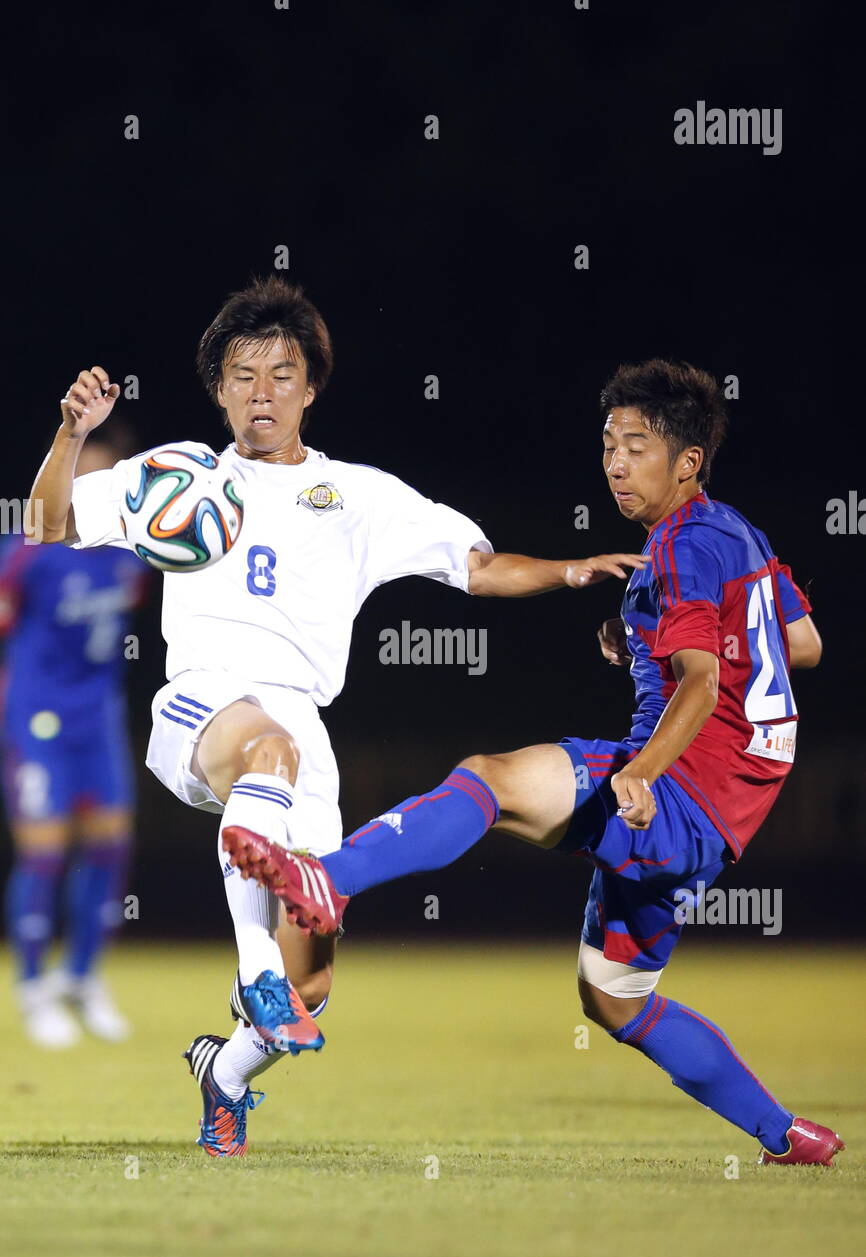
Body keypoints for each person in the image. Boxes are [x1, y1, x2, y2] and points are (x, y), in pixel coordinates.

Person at [27, 276, 644, 1154]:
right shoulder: (177, 478)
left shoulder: (357, 495)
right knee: (265, 756)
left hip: (300, 737)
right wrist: (70, 434)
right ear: (219, 391)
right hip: (203, 706)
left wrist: (571, 569)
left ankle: (227, 1068)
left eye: (281, 374)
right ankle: (255, 977)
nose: (261, 393)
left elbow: (476, 565)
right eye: (242, 376)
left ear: (311, 387)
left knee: (311, 976)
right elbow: (47, 524)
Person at [250, 359, 844, 1168]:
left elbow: (702, 685)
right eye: (608, 445)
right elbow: (801, 644)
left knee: (491, 778)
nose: (616, 463)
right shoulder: (738, 533)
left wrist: (641, 771)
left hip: (678, 788)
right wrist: (644, 637)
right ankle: (790, 1137)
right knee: (615, 999)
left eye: (637, 446)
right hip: (726, 817)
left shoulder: (686, 542)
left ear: (688, 462)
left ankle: (332, 878)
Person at [2, 426, 148, 1046]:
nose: (80, 490)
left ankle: (82, 978)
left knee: (111, 849)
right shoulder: (28, 549)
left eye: (96, 478)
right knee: (42, 850)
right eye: (73, 478)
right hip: (36, 720)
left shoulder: (130, 552)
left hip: (100, 719)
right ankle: (34, 987)